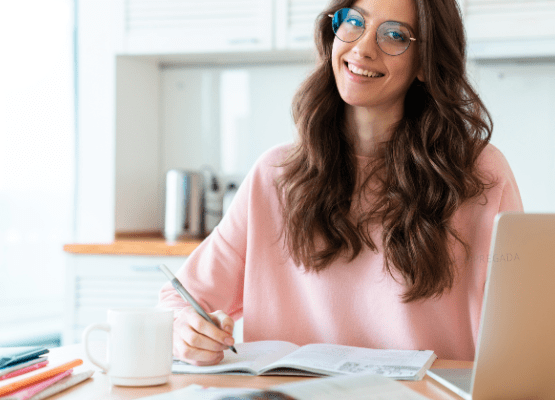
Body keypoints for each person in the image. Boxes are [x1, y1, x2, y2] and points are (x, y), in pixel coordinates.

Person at [158, 0, 523, 366]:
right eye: (354, 22)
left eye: (394, 35)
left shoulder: (480, 175)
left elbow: (521, 334)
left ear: (425, 62)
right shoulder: (275, 175)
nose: (362, 48)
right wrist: (185, 331)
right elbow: (180, 302)